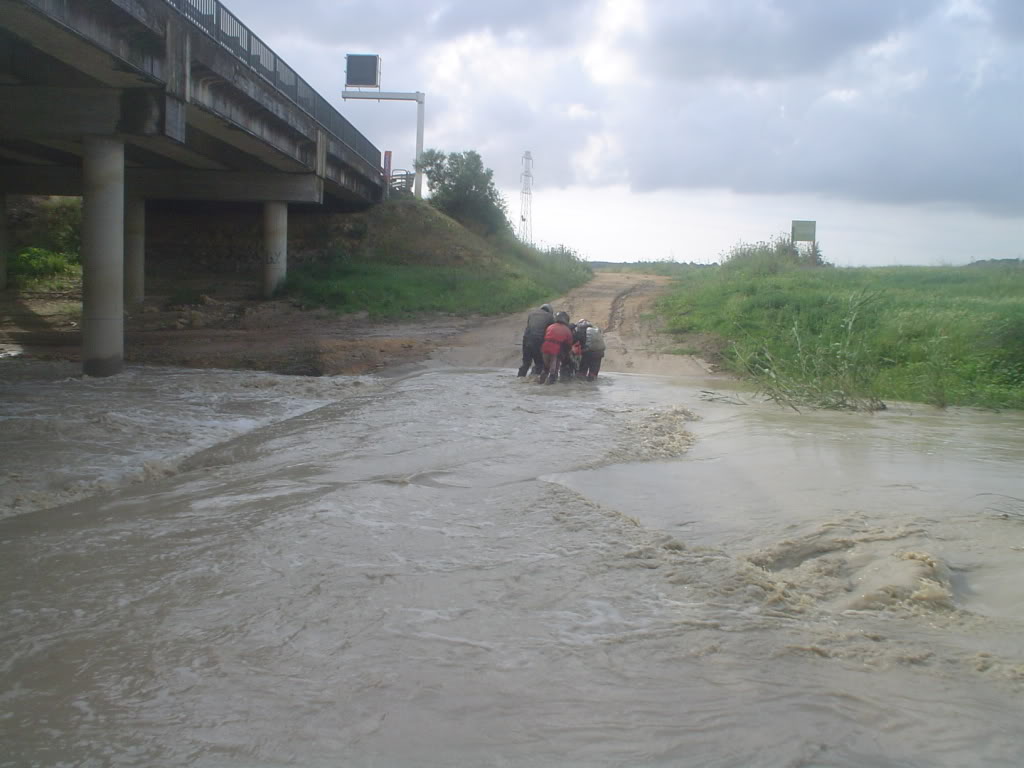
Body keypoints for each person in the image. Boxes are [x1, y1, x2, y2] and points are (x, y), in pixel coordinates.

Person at [517, 303, 554, 377]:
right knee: (539, 363)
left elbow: (529, 327)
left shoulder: (531, 314)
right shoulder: (550, 317)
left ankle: (520, 378)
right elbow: (550, 332)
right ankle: (534, 381)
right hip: (538, 341)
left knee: (526, 363)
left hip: (526, 340)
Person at [538, 311, 573, 384]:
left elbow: (544, 336)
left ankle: (540, 382)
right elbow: (569, 344)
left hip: (544, 349)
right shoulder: (567, 330)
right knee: (554, 370)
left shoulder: (550, 326)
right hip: (555, 351)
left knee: (545, 368)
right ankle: (552, 384)